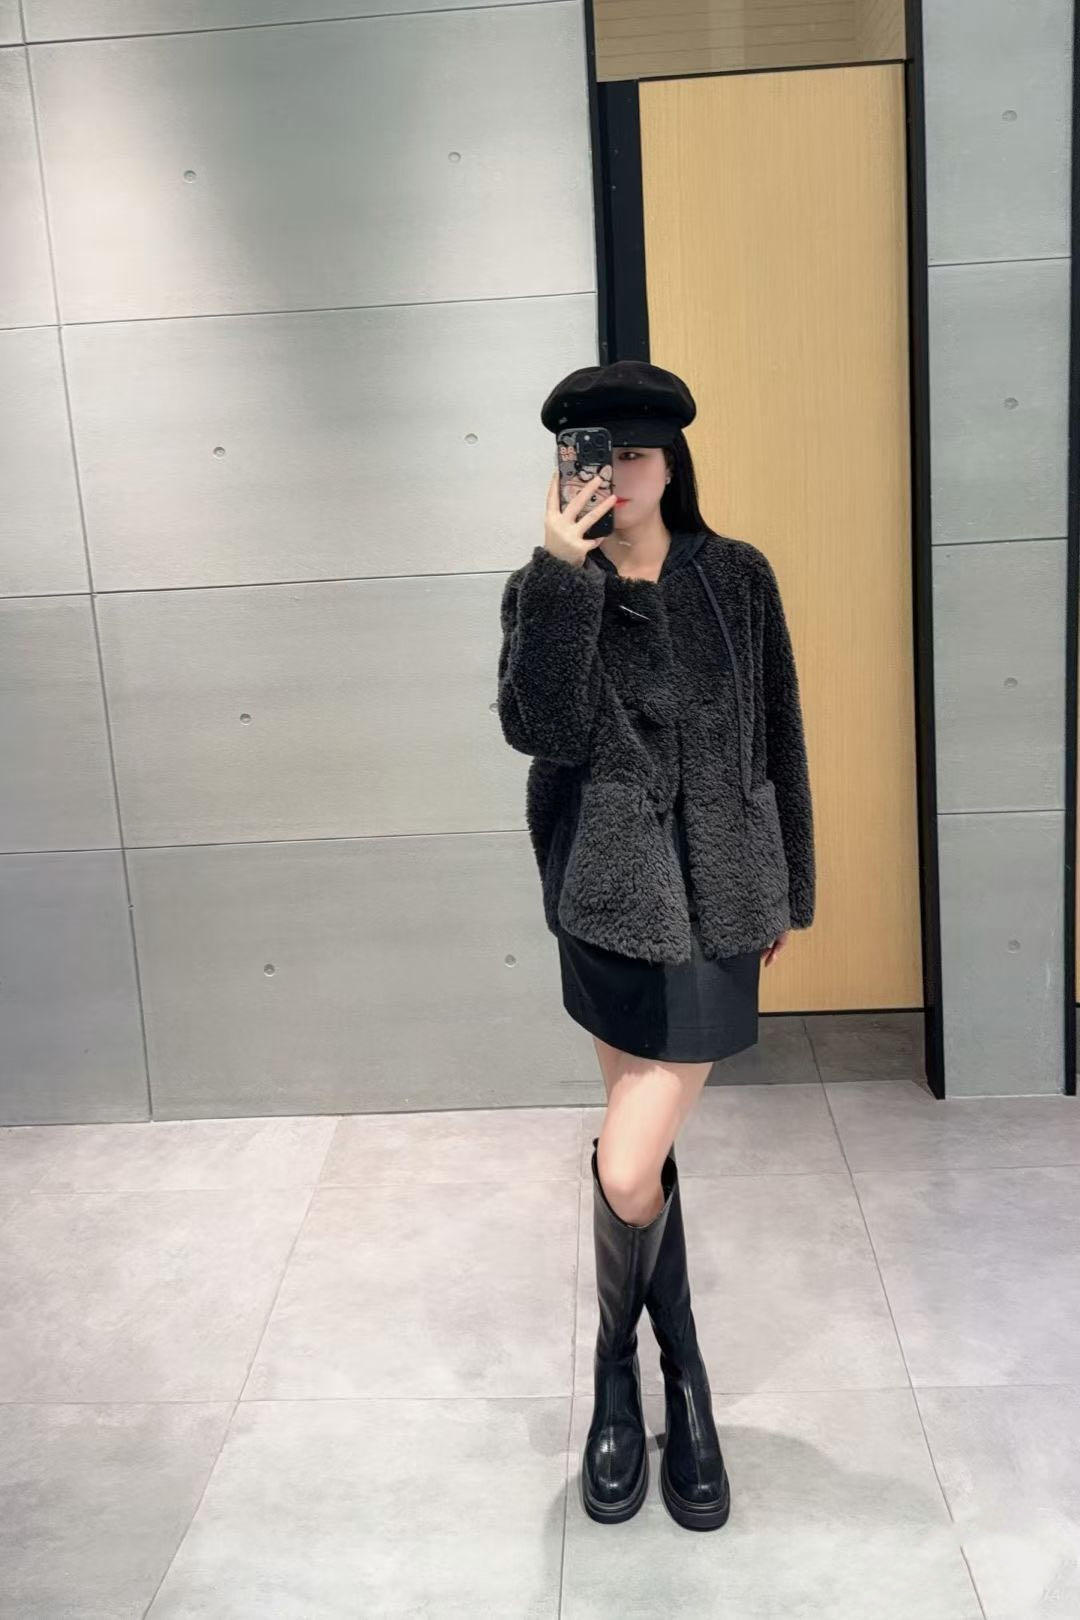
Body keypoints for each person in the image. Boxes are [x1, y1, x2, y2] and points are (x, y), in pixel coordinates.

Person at [496, 360, 816, 1532]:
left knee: (629, 1169)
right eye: (593, 456)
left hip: (722, 898)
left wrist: (791, 884)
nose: (617, 475)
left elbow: (780, 732)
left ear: (673, 461)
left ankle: (633, 1369)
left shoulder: (737, 577)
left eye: (635, 453)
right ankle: (663, 1387)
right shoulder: (548, 587)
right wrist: (560, 574)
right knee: (638, 1162)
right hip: (608, 900)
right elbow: (539, 728)